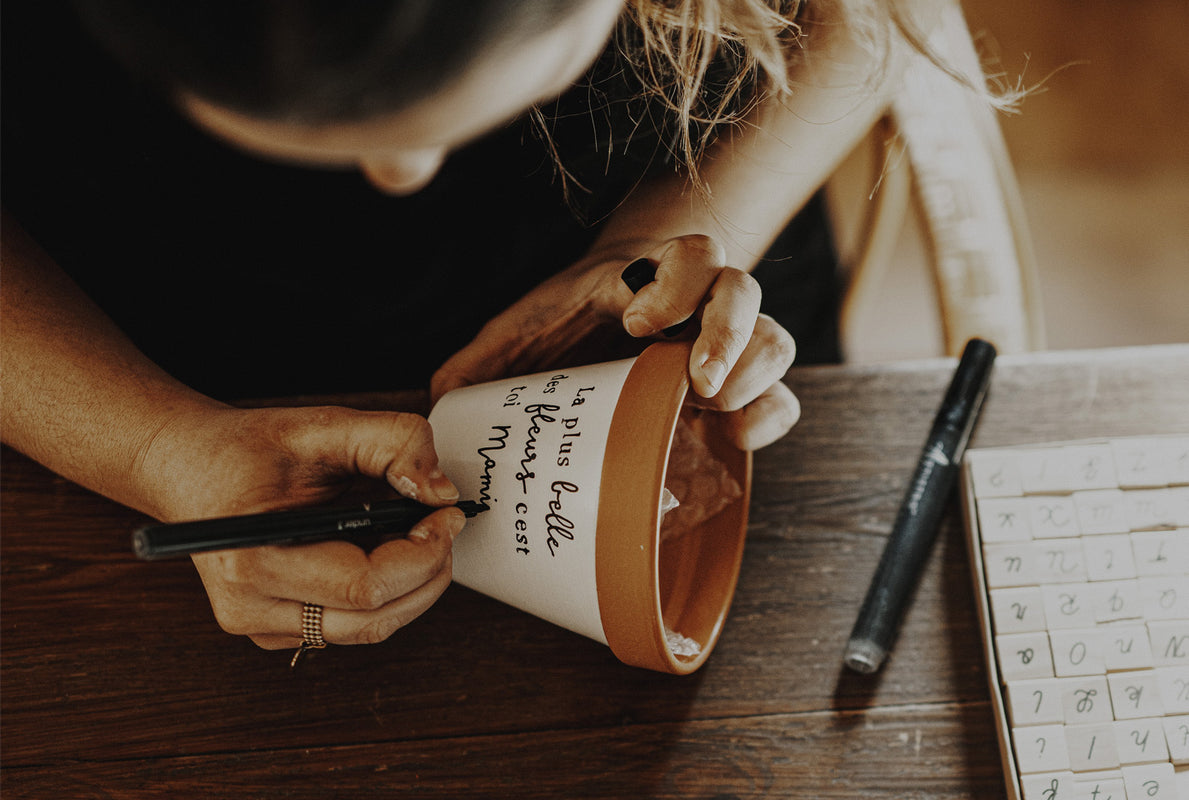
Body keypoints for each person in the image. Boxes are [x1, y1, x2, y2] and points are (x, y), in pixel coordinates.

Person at [1, 0, 925, 656]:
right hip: (107, 349)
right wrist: (158, 447)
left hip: (676, 199)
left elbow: (872, 17)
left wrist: (664, 238)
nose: (401, 172)